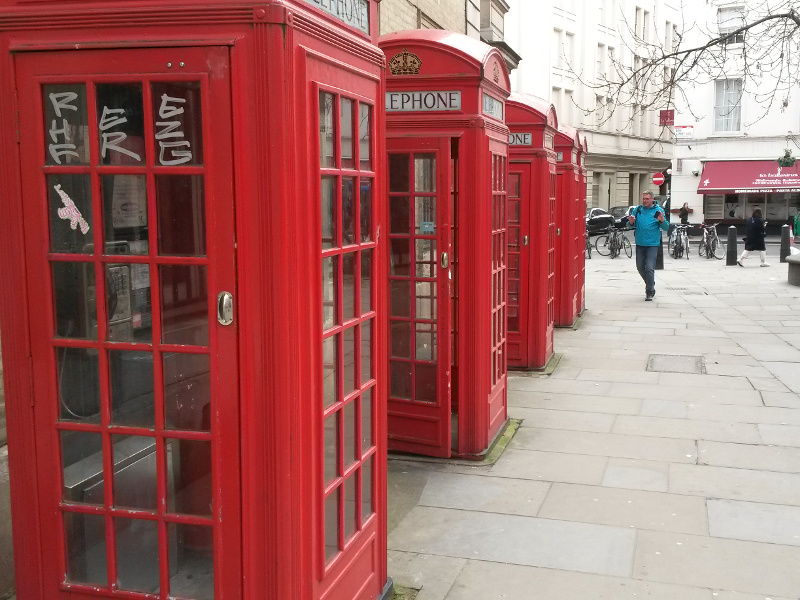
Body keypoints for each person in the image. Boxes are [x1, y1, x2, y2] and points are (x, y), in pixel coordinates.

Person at [628, 190, 669, 301]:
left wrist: (662, 220)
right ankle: (651, 283)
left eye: (647, 199)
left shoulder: (658, 210)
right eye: (643, 199)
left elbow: (666, 227)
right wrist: (631, 222)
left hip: (652, 244)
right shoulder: (638, 209)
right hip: (640, 243)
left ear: (652, 199)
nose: (644, 201)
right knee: (640, 267)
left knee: (650, 268)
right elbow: (630, 225)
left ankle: (649, 291)